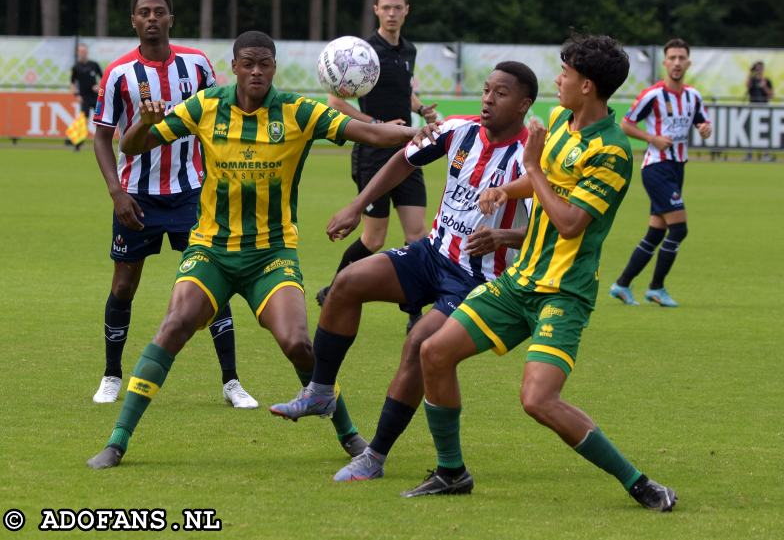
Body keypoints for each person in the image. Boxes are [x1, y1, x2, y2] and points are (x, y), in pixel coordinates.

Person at [86, 29, 422, 470]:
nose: (257, 71)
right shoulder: (205, 106)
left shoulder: (298, 111)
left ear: (274, 67)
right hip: (211, 250)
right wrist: (146, 121)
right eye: (249, 63)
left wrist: (420, 132)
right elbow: (130, 146)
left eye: (265, 63)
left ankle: (348, 434)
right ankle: (117, 441)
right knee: (173, 326)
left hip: (271, 254)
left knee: (299, 344)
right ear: (235, 67)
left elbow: (366, 133)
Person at [400, 35, 677, 512]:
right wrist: (507, 190)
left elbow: (569, 222)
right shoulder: (557, 122)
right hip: (517, 282)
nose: (558, 79)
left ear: (587, 86)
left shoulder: (612, 152)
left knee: (537, 401)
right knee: (434, 352)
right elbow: (541, 178)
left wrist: (530, 164)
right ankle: (451, 472)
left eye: (565, 73)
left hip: (563, 293)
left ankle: (639, 483)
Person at [269, 62, 537, 482]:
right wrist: (357, 206)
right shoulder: (457, 130)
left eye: (500, 94)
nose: (487, 99)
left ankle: (374, 456)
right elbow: (402, 160)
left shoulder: (530, 159)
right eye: (486, 90)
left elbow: (547, 230)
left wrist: (504, 236)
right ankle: (321, 391)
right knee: (347, 282)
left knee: (418, 344)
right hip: (431, 254)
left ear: (524, 104)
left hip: (476, 279)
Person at [91, 0, 257, 408]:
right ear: (133, 21)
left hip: (191, 195)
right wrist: (116, 193)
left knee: (212, 284)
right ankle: (111, 375)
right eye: (144, 13)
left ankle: (232, 382)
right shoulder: (118, 74)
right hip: (137, 197)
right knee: (124, 285)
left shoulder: (197, 64)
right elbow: (103, 137)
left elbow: (217, 119)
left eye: (159, 12)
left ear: (171, 18)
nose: (151, 18)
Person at [317, 0, 439, 334]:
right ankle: (336, 289)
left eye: (397, 7)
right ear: (376, 10)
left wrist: (420, 109)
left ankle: (414, 310)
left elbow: (405, 88)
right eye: (385, 7)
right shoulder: (361, 52)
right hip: (373, 153)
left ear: (406, 10)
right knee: (374, 239)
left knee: (418, 236)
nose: (391, 13)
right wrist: (377, 125)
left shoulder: (409, 50)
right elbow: (336, 102)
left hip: (410, 150)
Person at [610, 38, 711, 308]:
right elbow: (626, 124)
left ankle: (621, 284)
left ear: (688, 62)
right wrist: (651, 138)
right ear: (665, 62)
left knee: (656, 233)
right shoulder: (652, 94)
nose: (677, 63)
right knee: (679, 229)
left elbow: (702, 121)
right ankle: (656, 288)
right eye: (672, 58)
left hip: (678, 167)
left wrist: (705, 128)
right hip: (656, 168)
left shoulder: (693, 95)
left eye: (682, 58)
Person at [68, 43, 103, 151]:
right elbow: (72, 83)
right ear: (78, 53)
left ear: (87, 52)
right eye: (81, 51)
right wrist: (76, 95)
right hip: (85, 98)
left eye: (84, 51)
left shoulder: (94, 65)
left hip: (96, 98)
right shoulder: (76, 67)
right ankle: (78, 143)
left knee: (100, 120)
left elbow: (104, 78)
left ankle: (101, 142)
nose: (83, 53)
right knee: (83, 120)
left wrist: (98, 86)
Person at [745, 61, 774, 162]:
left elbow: (771, 95)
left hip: (764, 108)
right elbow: (747, 86)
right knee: (750, 131)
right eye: (757, 68)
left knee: (764, 132)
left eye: (760, 68)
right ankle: (749, 154)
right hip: (753, 107)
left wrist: (764, 85)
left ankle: (766, 154)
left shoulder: (767, 81)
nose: (759, 70)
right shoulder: (752, 80)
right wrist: (750, 73)